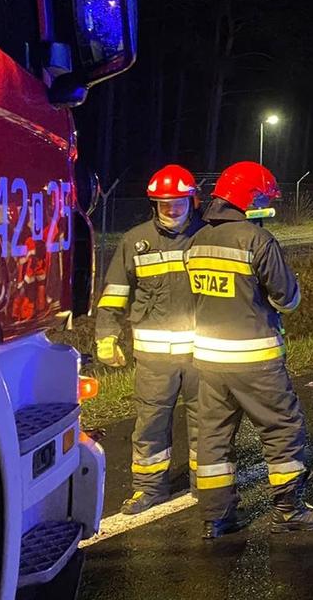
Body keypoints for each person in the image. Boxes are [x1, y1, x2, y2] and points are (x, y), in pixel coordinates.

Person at [188, 161, 313, 539]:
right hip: (255, 359)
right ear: (249, 198)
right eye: (264, 198)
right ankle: (288, 510)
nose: (268, 205)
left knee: (214, 439)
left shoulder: (198, 239)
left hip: (209, 360)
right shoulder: (257, 240)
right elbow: (288, 299)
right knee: (282, 429)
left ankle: (215, 518)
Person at [95, 164, 204, 515]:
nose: (171, 209)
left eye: (177, 202)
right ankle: (149, 489)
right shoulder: (135, 241)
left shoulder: (210, 236)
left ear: (192, 200)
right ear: (154, 204)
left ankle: (209, 485)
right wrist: (106, 336)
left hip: (202, 353)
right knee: (151, 424)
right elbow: (115, 293)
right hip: (154, 359)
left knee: (207, 419)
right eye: (163, 203)